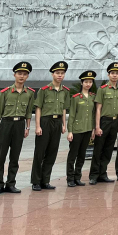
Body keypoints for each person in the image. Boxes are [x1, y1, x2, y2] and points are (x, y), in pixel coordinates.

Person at [0, 61, 34, 195]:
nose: (22, 76)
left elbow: (28, 112)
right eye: (19, 73)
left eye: (25, 74)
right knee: (1, 156)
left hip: (19, 125)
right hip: (6, 124)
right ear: (14, 75)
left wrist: (27, 127)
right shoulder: (5, 92)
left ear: (27, 76)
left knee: (15, 156)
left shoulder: (30, 93)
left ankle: (11, 183)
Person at [31, 61, 70, 190]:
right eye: (57, 73)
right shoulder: (44, 90)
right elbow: (38, 108)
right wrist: (38, 126)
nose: (60, 75)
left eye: (62, 73)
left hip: (57, 122)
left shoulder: (65, 91)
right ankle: (36, 181)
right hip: (45, 121)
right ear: (52, 74)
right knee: (40, 152)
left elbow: (64, 109)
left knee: (52, 152)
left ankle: (45, 180)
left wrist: (64, 124)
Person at [89, 62, 118, 185]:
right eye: (112, 73)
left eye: (117, 73)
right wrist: (97, 127)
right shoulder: (102, 89)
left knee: (109, 149)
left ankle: (102, 174)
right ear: (109, 74)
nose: (115, 75)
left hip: (115, 122)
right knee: (98, 149)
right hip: (104, 121)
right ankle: (94, 175)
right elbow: (98, 109)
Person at [66, 70, 96, 187]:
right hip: (77, 130)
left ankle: (77, 177)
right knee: (73, 155)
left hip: (88, 129)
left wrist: (93, 129)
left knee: (82, 155)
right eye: (86, 82)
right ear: (82, 83)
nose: (88, 84)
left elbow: (93, 115)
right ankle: (70, 178)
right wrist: (70, 131)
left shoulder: (93, 97)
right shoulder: (76, 98)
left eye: (90, 82)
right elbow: (72, 115)